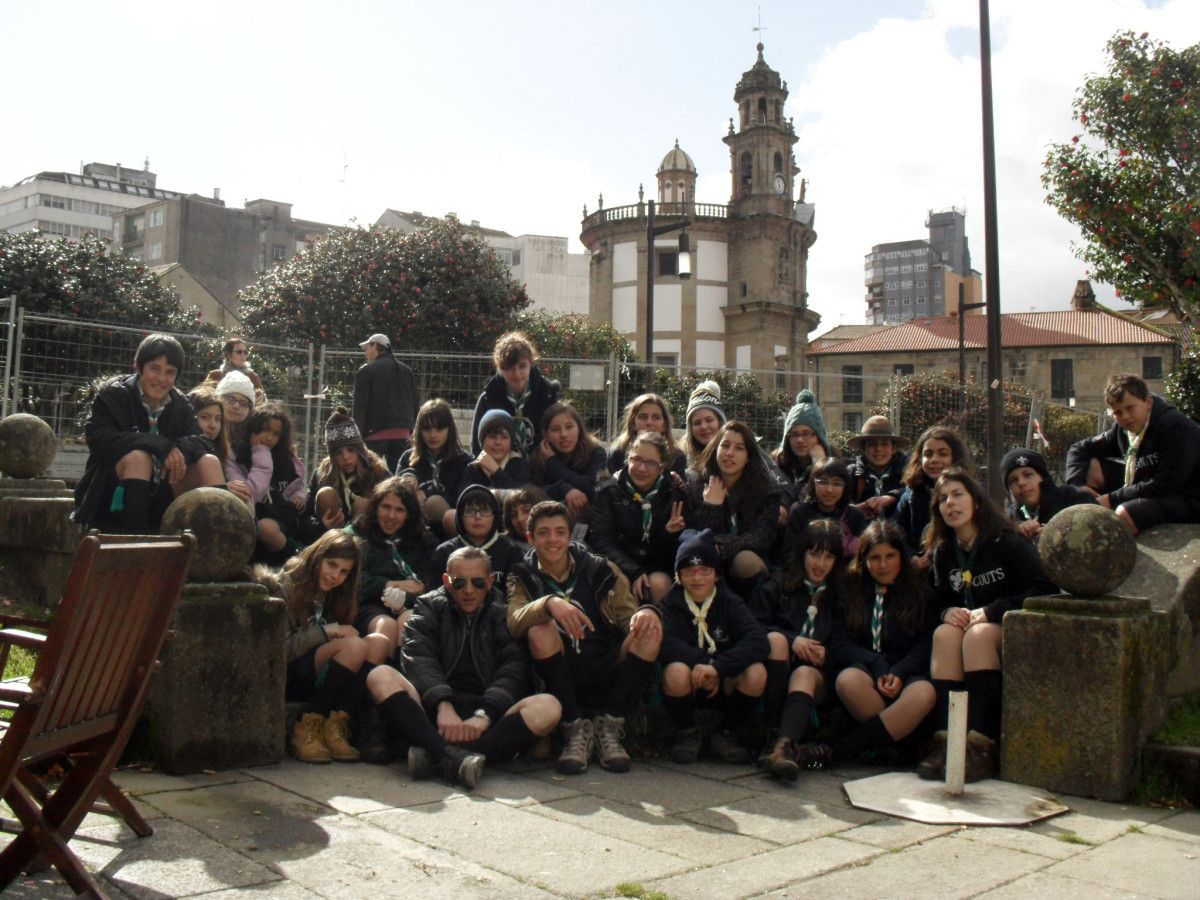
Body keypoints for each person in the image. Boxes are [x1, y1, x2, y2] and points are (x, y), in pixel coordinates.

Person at [365, 547, 561, 789]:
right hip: (435, 712)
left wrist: (484, 715)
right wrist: (443, 706)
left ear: (490, 582)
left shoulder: (503, 611)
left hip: (486, 717)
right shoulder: (427, 607)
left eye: (478, 582)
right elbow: (418, 659)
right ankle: (454, 756)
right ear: (447, 581)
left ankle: (437, 754)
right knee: (380, 676)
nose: (469, 590)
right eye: (459, 583)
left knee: (549, 706)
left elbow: (513, 668)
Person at [918, 468, 1056, 782]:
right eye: (942, 498)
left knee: (977, 637)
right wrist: (947, 611)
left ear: (976, 501)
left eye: (957, 495)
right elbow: (936, 600)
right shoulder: (943, 550)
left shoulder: (1005, 540)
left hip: (1006, 625)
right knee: (944, 635)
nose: (949, 503)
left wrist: (992, 610)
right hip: (964, 629)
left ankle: (980, 747)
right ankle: (945, 742)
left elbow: (1043, 587)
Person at [506, 501, 663, 775]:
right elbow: (514, 620)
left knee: (649, 629)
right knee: (538, 629)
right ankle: (574, 729)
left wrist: (647, 613)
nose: (552, 539)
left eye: (559, 532)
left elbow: (629, 618)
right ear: (530, 538)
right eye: (543, 533)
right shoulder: (521, 574)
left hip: (604, 664)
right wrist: (548, 604)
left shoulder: (600, 568)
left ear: (570, 536)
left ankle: (611, 729)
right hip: (558, 674)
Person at [793, 520, 937, 771]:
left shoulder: (919, 589)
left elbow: (926, 644)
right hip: (867, 669)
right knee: (848, 681)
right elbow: (839, 644)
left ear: (901, 555)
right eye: (875, 558)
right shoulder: (851, 588)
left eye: (890, 556)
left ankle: (835, 752)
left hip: (907, 672)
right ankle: (897, 743)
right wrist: (877, 664)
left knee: (924, 694)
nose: (883, 565)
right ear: (864, 559)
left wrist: (900, 672)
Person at [74, 333, 225, 533]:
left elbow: (202, 441)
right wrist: (157, 444)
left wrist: (177, 451)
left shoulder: (180, 403)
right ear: (138, 366)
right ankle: (135, 544)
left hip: (164, 490)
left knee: (209, 461)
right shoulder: (113, 394)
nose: (162, 379)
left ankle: (219, 543)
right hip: (110, 494)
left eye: (170, 372)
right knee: (139, 458)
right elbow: (99, 440)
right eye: (155, 368)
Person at [660, 529, 770, 764]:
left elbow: (758, 640)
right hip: (690, 683)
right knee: (674, 671)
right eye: (689, 571)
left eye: (705, 571)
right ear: (678, 575)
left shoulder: (729, 602)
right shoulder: (670, 604)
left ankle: (726, 733)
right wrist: (703, 663)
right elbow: (666, 643)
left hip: (724, 683)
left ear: (717, 575)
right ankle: (687, 732)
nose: (697, 578)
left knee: (756, 672)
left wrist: (719, 667)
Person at [749, 519, 846, 780]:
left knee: (804, 674)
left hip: (820, 677)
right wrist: (793, 639)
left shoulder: (843, 594)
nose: (820, 563)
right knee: (776, 641)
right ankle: (775, 737)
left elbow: (851, 641)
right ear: (802, 552)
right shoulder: (780, 584)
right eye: (814, 554)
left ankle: (784, 746)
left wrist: (828, 654)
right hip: (778, 670)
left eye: (828, 556)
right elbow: (753, 623)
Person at [266, 530, 370, 764]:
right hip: (289, 671)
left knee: (375, 644)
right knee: (355, 647)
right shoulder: (286, 584)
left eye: (344, 572)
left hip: (323, 670)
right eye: (331, 565)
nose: (335, 576)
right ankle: (307, 727)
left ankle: (335, 725)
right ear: (317, 557)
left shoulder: (339, 594)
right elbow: (282, 650)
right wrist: (328, 631)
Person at [1064, 373, 1200, 535]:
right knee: (1089, 467)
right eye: (1118, 413)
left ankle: (1110, 553)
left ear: (1148, 402)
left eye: (1130, 408)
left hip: (1189, 496)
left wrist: (1111, 499)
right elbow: (1079, 449)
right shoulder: (1123, 431)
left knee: (1124, 513)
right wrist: (1077, 487)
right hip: (1150, 487)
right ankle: (1084, 519)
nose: (1125, 417)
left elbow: (1166, 484)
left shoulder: (1174, 426)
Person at [682, 421, 783, 595]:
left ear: (749, 456)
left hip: (747, 565)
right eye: (725, 445)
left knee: (745, 561)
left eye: (739, 448)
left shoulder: (766, 489)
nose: (729, 454)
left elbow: (761, 537)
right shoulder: (696, 484)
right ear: (716, 449)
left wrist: (723, 546)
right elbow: (695, 537)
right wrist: (711, 506)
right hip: (707, 564)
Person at [589, 431, 688, 603]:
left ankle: (655, 627)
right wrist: (633, 570)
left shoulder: (673, 494)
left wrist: (668, 533)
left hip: (655, 566)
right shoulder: (608, 492)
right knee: (619, 582)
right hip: (620, 565)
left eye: (651, 463)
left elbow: (673, 555)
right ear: (628, 458)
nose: (642, 468)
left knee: (659, 584)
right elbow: (601, 541)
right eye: (637, 459)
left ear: (662, 467)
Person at [346, 477, 436, 664]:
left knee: (408, 623)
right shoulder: (357, 535)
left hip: (410, 605)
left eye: (399, 510)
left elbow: (426, 587)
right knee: (384, 626)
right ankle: (372, 681)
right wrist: (391, 584)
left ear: (409, 514)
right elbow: (353, 580)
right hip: (368, 605)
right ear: (375, 507)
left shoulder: (424, 541)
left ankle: (400, 681)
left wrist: (405, 599)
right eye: (386, 507)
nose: (391, 516)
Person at [470, 331, 561, 457]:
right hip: (499, 471)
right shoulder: (488, 399)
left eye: (522, 366)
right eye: (510, 368)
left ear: (531, 364)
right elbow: (477, 447)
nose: (517, 374)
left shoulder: (548, 395)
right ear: (500, 369)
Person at [894, 426, 972, 570]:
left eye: (943, 454)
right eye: (928, 454)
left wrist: (932, 557)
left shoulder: (970, 494)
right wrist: (911, 557)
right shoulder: (909, 497)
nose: (934, 460)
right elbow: (897, 535)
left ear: (955, 457)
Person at [397, 398, 472, 535]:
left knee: (434, 503)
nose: (433, 435)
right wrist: (407, 483)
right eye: (426, 428)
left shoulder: (465, 461)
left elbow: (463, 502)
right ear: (419, 430)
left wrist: (425, 493)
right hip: (412, 528)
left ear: (450, 429)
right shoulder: (407, 458)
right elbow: (394, 497)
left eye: (440, 428)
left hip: (450, 532)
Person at [309, 408, 391, 530]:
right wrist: (321, 525)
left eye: (351, 450)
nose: (345, 457)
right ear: (332, 456)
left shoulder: (378, 471)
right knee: (325, 494)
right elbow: (306, 516)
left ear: (360, 451)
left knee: (361, 504)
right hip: (331, 537)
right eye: (338, 453)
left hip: (368, 536)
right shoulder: (321, 474)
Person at [352, 332, 420, 471]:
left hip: (374, 434)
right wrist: (412, 430)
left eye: (367, 349)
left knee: (368, 477)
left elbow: (360, 407)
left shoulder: (366, 371)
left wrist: (357, 437)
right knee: (400, 476)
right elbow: (415, 403)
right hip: (403, 434)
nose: (366, 353)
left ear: (375, 346)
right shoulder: (407, 371)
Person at [430, 484, 524, 583]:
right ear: (460, 517)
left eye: (485, 510)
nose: (478, 516)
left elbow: (518, 595)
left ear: (494, 516)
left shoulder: (510, 551)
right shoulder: (443, 552)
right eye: (470, 511)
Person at [531, 401, 607, 522]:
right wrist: (563, 489)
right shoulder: (538, 457)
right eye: (555, 429)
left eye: (569, 427)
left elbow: (591, 488)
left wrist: (553, 463)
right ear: (546, 435)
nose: (564, 434)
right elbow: (533, 492)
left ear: (579, 428)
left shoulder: (596, 452)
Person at [781, 457, 867, 560]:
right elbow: (790, 554)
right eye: (823, 482)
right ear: (813, 484)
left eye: (837, 483)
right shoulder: (800, 513)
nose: (829, 490)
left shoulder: (855, 516)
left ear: (845, 487)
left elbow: (862, 557)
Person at [1000, 447, 1095, 542]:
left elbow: (1098, 528)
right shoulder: (1009, 520)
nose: (1021, 482)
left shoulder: (1072, 497)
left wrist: (1056, 533)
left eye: (1028, 475)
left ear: (1043, 477)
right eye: (1013, 480)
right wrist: (1017, 535)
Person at [607, 393, 687, 478]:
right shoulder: (617, 453)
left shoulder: (677, 457)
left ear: (665, 425)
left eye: (656, 417)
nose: (649, 422)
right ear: (633, 423)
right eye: (643, 417)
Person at [847, 416, 910, 520]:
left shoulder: (907, 471)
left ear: (894, 448)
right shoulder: (852, 473)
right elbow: (839, 503)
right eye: (872, 444)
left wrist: (892, 496)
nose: (879, 449)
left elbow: (918, 491)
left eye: (885, 444)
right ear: (863, 448)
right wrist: (855, 511)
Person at [214, 370, 258, 505]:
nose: (236, 406)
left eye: (243, 403)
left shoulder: (254, 439)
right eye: (230, 399)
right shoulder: (205, 430)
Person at [462, 409, 533, 491]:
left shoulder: (520, 466)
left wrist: (496, 471)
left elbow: (519, 496)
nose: (498, 442)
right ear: (482, 441)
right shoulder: (472, 468)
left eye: (504, 437)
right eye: (492, 437)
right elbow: (467, 498)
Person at [774, 390, 830, 492]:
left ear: (819, 436)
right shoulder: (776, 467)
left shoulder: (835, 467)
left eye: (806, 433)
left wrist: (819, 463)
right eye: (794, 434)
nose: (800, 440)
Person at [679, 380, 726, 470]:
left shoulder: (735, 453)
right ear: (689, 428)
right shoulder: (679, 458)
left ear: (720, 422)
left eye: (709, 420)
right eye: (697, 423)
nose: (703, 427)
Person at [187, 386, 229, 466]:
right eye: (204, 417)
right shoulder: (182, 458)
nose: (213, 425)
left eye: (217, 419)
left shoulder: (224, 453)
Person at [502, 485, 547, 555]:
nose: (520, 518)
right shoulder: (504, 546)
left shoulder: (565, 541)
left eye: (526, 510)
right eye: (513, 515)